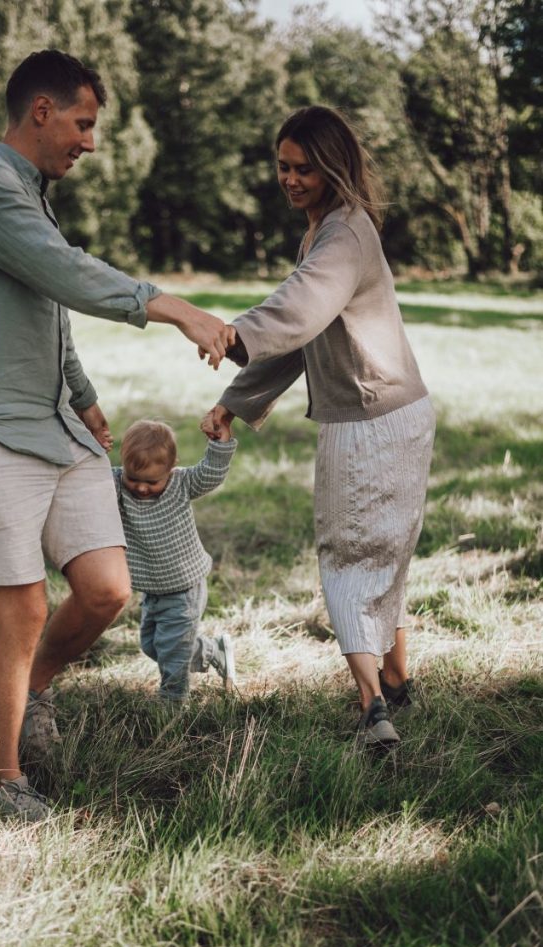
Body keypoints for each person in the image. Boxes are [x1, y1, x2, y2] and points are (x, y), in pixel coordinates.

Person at [0, 49, 233, 822]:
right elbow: (61, 271)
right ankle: (2, 780)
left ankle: (31, 694)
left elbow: (47, 304)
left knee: (106, 590)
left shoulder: (29, 194)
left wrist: (86, 398)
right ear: (42, 111)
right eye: (84, 123)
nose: (90, 142)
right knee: (23, 610)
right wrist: (175, 308)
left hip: (57, 428)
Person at [202, 105, 435, 745]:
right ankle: (395, 683)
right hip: (401, 414)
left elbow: (298, 311)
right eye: (283, 166)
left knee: (347, 559)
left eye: (305, 168)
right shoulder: (331, 231)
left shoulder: (342, 237)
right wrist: (237, 399)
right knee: (385, 559)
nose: (292, 178)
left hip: (369, 424)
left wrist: (234, 334)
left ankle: (372, 714)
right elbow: (305, 341)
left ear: (334, 167)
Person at [112, 420, 237, 702]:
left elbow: (211, 473)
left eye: (152, 481)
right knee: (152, 646)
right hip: (153, 590)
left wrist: (220, 445)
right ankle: (213, 651)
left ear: (171, 468)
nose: (141, 488)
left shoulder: (181, 483)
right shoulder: (117, 485)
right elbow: (89, 480)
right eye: (134, 479)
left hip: (184, 588)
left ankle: (172, 703)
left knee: (173, 652)